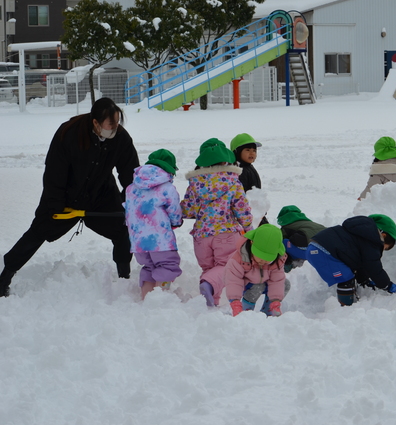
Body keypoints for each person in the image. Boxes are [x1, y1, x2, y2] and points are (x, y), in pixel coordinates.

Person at [0, 98, 139, 297]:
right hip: (65, 196)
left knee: (122, 229)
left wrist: (133, 200)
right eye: (111, 123)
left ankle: (124, 276)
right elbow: (54, 172)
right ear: (96, 123)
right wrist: (55, 205)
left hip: (101, 194)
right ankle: (5, 276)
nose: (115, 127)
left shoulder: (120, 138)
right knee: (38, 231)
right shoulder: (70, 133)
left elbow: (130, 172)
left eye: (118, 122)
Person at [181, 138, 253, 307]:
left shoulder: (195, 183)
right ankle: (207, 287)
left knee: (210, 270)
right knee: (227, 267)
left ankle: (210, 303)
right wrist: (248, 228)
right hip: (226, 233)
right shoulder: (233, 181)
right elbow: (241, 208)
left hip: (201, 237)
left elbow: (188, 210)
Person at [124, 149, 183, 299]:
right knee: (167, 266)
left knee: (149, 267)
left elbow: (129, 210)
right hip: (160, 241)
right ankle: (160, 296)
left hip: (138, 242)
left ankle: (146, 298)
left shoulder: (131, 188)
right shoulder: (167, 188)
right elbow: (174, 210)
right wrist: (176, 222)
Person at [305, 214, 396, 306]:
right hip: (324, 252)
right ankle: (346, 308)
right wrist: (387, 285)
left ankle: (347, 303)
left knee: (347, 272)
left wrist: (363, 280)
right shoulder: (372, 242)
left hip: (316, 247)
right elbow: (374, 267)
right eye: (384, 247)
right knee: (346, 278)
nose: (381, 250)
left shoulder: (360, 234)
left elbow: (360, 263)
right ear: (384, 235)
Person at [225, 224, 287, 316]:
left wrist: (275, 300)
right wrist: (235, 302)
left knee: (285, 284)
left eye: (268, 258)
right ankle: (246, 313)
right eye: (260, 257)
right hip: (245, 285)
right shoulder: (240, 258)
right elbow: (233, 280)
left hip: (264, 283)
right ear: (251, 243)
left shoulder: (277, 261)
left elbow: (277, 280)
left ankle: (268, 310)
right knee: (258, 287)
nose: (263, 261)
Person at [276, 205, 326, 273]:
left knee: (283, 242)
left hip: (310, 252)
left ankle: (290, 262)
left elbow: (279, 241)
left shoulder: (287, 227)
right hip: (327, 250)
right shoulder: (309, 223)